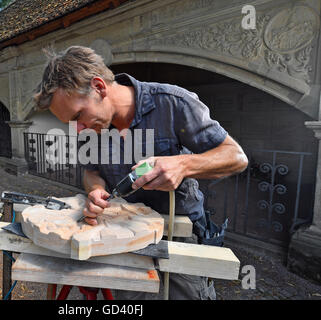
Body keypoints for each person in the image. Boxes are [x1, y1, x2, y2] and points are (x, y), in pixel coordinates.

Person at [33, 46, 248, 300]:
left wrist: (182, 165)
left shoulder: (172, 102)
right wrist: (95, 190)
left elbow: (236, 157)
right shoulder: (90, 128)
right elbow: (91, 171)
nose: (78, 130)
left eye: (79, 116)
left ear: (99, 87)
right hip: (123, 234)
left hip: (176, 236)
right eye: (71, 123)